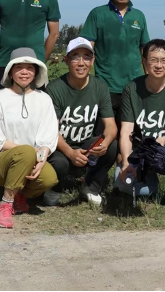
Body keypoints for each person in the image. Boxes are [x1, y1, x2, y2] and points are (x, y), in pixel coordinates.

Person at [0, 47, 59, 229]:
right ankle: (5, 204)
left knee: (49, 178)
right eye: (19, 67)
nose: (24, 72)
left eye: (30, 67)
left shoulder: (44, 99)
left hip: (29, 159)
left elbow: (48, 136)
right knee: (24, 151)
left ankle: (17, 195)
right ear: (11, 71)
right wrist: (30, 152)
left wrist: (42, 157)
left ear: (36, 71)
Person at [114, 39, 165, 212]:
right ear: (144, 62)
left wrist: (162, 140)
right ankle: (151, 185)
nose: (158, 65)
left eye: (163, 60)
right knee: (121, 183)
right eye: (153, 60)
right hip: (140, 152)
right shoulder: (131, 89)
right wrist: (127, 162)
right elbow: (126, 130)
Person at [45, 37, 119, 207]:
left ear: (92, 61)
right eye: (75, 57)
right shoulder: (54, 89)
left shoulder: (100, 87)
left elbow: (110, 125)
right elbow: (50, 131)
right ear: (66, 60)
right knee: (59, 162)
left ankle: (91, 186)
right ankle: (52, 187)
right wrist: (71, 153)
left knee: (112, 145)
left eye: (86, 57)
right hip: (61, 147)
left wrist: (105, 143)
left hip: (86, 145)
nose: (81, 62)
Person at [80, 0, 150, 123]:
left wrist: (149, 82)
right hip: (106, 86)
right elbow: (86, 50)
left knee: (132, 134)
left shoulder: (139, 16)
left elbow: (145, 53)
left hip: (135, 86)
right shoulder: (97, 14)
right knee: (107, 136)